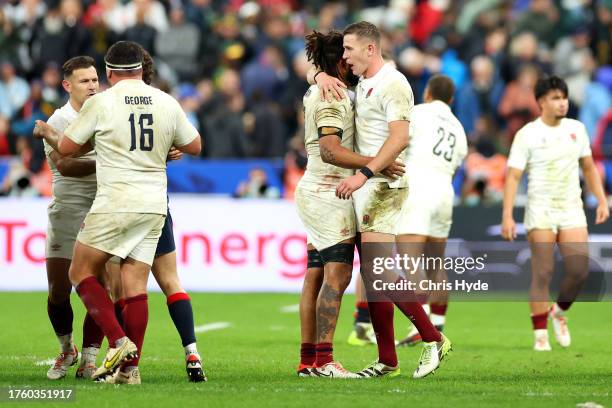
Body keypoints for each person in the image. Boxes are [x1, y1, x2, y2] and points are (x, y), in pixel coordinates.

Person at [34, 40, 201, 383]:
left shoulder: (102, 102)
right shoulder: (166, 101)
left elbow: (66, 149)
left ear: (109, 72)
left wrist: (58, 135)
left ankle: (119, 341)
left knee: (80, 273)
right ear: (141, 68)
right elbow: (195, 145)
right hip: (154, 204)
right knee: (135, 286)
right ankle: (130, 371)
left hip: (115, 201)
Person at [316, 21, 451, 379]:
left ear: (370, 49)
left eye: (349, 49)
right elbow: (318, 65)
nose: (345, 57)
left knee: (378, 272)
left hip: (382, 187)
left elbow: (399, 137)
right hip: (368, 186)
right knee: (374, 278)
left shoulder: (394, 83)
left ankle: (433, 338)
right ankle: (388, 360)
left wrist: (366, 172)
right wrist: (319, 77)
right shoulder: (365, 82)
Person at [295, 30, 403, 378]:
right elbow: (330, 149)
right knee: (338, 275)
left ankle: (308, 360)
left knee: (315, 272)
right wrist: (374, 163)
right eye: (345, 52)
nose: (350, 56)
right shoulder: (333, 96)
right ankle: (325, 360)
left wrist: (319, 73)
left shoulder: (323, 85)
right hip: (329, 190)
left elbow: (315, 74)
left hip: (321, 188)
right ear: (339, 60)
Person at [502, 75, 609, 351]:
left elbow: (588, 167)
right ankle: (540, 335)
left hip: (571, 206)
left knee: (578, 271)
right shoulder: (527, 134)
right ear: (541, 102)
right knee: (543, 271)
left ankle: (559, 312)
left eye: (564, 97)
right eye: (555, 98)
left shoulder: (576, 129)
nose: (562, 103)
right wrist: (507, 215)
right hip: (540, 208)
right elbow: (513, 176)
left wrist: (601, 200)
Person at [394, 75, 468, 346]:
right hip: (444, 193)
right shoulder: (458, 128)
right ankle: (438, 323)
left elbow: (398, 141)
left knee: (410, 260)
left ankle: (422, 325)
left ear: (427, 93)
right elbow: (458, 166)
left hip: (418, 189)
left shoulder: (418, 113)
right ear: (451, 99)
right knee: (435, 263)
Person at [42, 55, 99, 381]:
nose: (92, 86)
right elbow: (64, 165)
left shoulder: (107, 113)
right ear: (67, 85)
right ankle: (67, 348)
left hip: (101, 207)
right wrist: (108, 162)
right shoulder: (59, 120)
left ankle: (90, 356)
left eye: (94, 80)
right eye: (84, 81)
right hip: (67, 207)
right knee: (58, 290)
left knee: (100, 285)